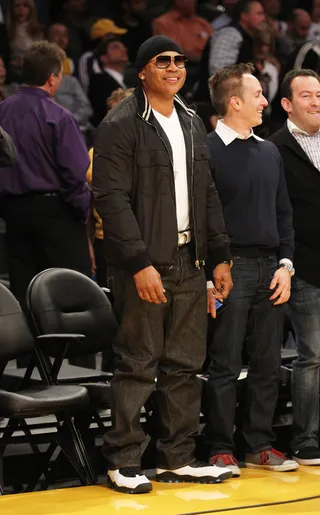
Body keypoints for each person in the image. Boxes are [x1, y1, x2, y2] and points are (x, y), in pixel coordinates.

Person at [93, 35, 234, 494]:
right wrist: (138, 262)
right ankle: (124, 458)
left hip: (190, 257)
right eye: (162, 61)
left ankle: (177, 456)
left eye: (179, 60)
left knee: (185, 364)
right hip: (144, 262)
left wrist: (220, 256)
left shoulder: (192, 121)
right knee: (138, 361)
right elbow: (110, 200)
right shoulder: (121, 123)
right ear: (141, 71)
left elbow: (207, 193)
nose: (174, 67)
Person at [205, 62, 298, 476]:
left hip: (270, 270)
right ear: (235, 101)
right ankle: (220, 447)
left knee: (266, 363)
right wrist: (209, 274)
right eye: (258, 94)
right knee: (224, 364)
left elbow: (284, 215)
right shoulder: (204, 151)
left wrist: (286, 265)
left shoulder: (269, 151)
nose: (265, 101)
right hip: (229, 270)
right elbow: (198, 219)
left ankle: (259, 443)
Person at [0, 41, 91, 312]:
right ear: (52, 78)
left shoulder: (2, 112)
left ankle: (30, 355)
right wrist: (82, 213)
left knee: (25, 297)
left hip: (13, 214)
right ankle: (78, 354)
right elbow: (75, 173)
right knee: (74, 295)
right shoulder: (59, 117)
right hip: (57, 213)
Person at [269, 69, 320, 466]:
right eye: (306, 95)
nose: (316, 101)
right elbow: (278, 213)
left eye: (319, 94)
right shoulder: (275, 148)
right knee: (313, 355)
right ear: (287, 104)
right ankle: (306, 438)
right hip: (302, 265)